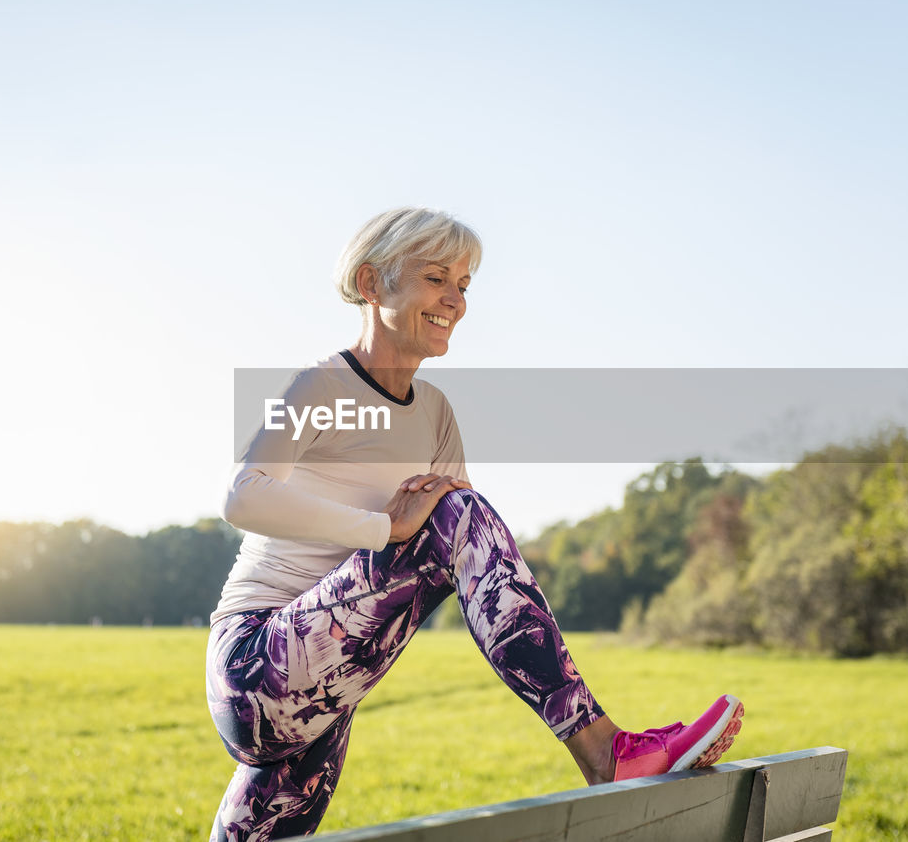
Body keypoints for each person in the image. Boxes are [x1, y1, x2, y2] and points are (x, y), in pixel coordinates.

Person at [205, 207, 743, 841]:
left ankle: (608, 754)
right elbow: (243, 497)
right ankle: (604, 752)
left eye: (464, 285)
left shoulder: (434, 413)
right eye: (437, 278)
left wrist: (412, 532)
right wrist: (385, 530)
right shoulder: (321, 386)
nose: (455, 300)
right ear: (373, 283)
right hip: (257, 662)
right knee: (458, 512)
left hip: (330, 685)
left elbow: (475, 564)